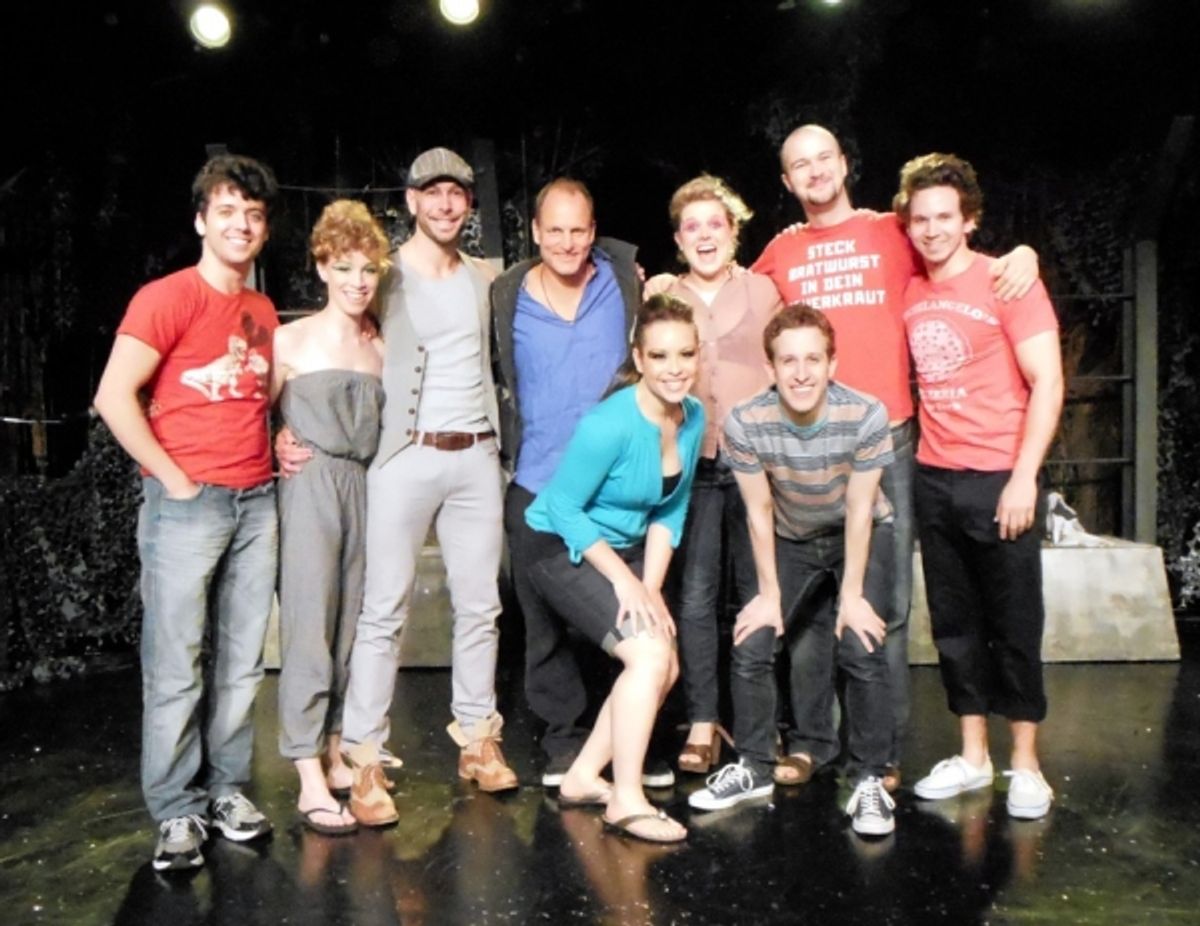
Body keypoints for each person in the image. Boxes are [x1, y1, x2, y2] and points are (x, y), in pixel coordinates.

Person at [750, 124, 1041, 790]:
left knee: (890, 601)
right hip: (811, 444)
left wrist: (1022, 254)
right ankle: (815, 743)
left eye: (824, 158)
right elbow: (726, 293)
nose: (815, 171)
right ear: (787, 182)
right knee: (814, 600)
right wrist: (661, 283)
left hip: (888, 439)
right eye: (800, 164)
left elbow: (960, 255)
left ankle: (878, 753)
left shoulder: (894, 231)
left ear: (844, 163)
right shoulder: (781, 250)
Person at [280, 147, 516, 825]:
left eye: (456, 193)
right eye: (431, 192)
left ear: (468, 204)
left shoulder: (485, 277)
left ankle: (479, 739)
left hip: (476, 454)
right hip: (405, 455)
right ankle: (364, 759)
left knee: (481, 606)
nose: (445, 203)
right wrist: (286, 427)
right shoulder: (381, 275)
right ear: (411, 201)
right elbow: (331, 349)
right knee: (382, 611)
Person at [93, 154, 280, 870]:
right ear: (202, 221)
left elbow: (255, 397)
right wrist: (173, 480)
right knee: (176, 664)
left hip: (256, 501)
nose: (241, 224)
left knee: (240, 664)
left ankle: (226, 791)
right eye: (226, 211)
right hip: (188, 504)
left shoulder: (261, 311)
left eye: (253, 214)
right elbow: (114, 396)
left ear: (264, 229)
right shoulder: (166, 297)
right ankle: (176, 808)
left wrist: (281, 443)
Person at [894, 153, 1063, 819]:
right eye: (921, 219)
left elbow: (1048, 381)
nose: (933, 229)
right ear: (908, 224)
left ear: (969, 220)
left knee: (1014, 624)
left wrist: (1024, 477)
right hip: (934, 475)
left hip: (1000, 476)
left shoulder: (1007, 281)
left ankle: (1026, 765)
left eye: (945, 217)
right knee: (955, 627)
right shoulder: (911, 290)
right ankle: (972, 757)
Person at [688, 304, 899, 837]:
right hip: (790, 534)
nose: (801, 373)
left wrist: (852, 597)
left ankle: (870, 779)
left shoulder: (866, 414)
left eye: (813, 359)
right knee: (753, 639)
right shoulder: (746, 421)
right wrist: (768, 595)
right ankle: (754, 767)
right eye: (788, 361)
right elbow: (758, 510)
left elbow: (860, 510)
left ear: (832, 364)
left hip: (859, 531)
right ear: (771, 368)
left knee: (860, 642)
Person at [491, 179, 674, 790]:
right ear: (535, 232)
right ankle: (565, 744)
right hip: (539, 484)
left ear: (593, 233)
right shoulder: (506, 295)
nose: (567, 243)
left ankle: (637, 743)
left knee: (629, 618)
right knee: (542, 628)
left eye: (578, 230)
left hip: (614, 488)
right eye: (555, 230)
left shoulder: (623, 283)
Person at [523, 294, 704, 843]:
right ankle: (626, 799)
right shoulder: (610, 423)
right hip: (557, 545)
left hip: (622, 551)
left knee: (663, 666)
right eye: (660, 356)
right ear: (639, 358)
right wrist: (625, 581)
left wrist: (650, 586)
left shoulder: (692, 416)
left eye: (686, 354)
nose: (675, 368)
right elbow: (563, 508)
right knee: (648, 656)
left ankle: (582, 777)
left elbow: (671, 508)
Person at [656, 175, 781, 773]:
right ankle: (703, 721)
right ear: (679, 240)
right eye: (692, 227)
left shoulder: (763, 290)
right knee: (697, 597)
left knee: (757, 594)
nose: (704, 236)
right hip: (694, 463)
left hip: (755, 463)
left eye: (715, 224)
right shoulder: (665, 294)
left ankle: (758, 724)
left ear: (734, 230)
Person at [272, 200, 389, 836]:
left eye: (367, 268)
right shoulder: (289, 340)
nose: (357, 281)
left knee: (353, 624)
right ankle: (306, 772)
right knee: (310, 623)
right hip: (311, 484)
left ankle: (335, 747)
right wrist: (274, 443)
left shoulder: (381, 345)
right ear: (322, 267)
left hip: (364, 484)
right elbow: (253, 416)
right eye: (343, 267)